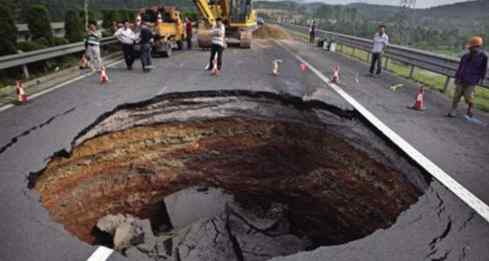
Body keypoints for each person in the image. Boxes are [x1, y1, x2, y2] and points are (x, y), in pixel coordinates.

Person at [448, 36, 488, 118]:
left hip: (472, 80)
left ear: (478, 47)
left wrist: (482, 78)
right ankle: (453, 110)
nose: (470, 48)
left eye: (472, 47)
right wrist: (456, 77)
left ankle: (470, 108)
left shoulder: (484, 57)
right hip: (461, 78)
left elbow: (484, 69)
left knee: (468, 97)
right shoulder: (465, 56)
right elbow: (460, 67)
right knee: (456, 96)